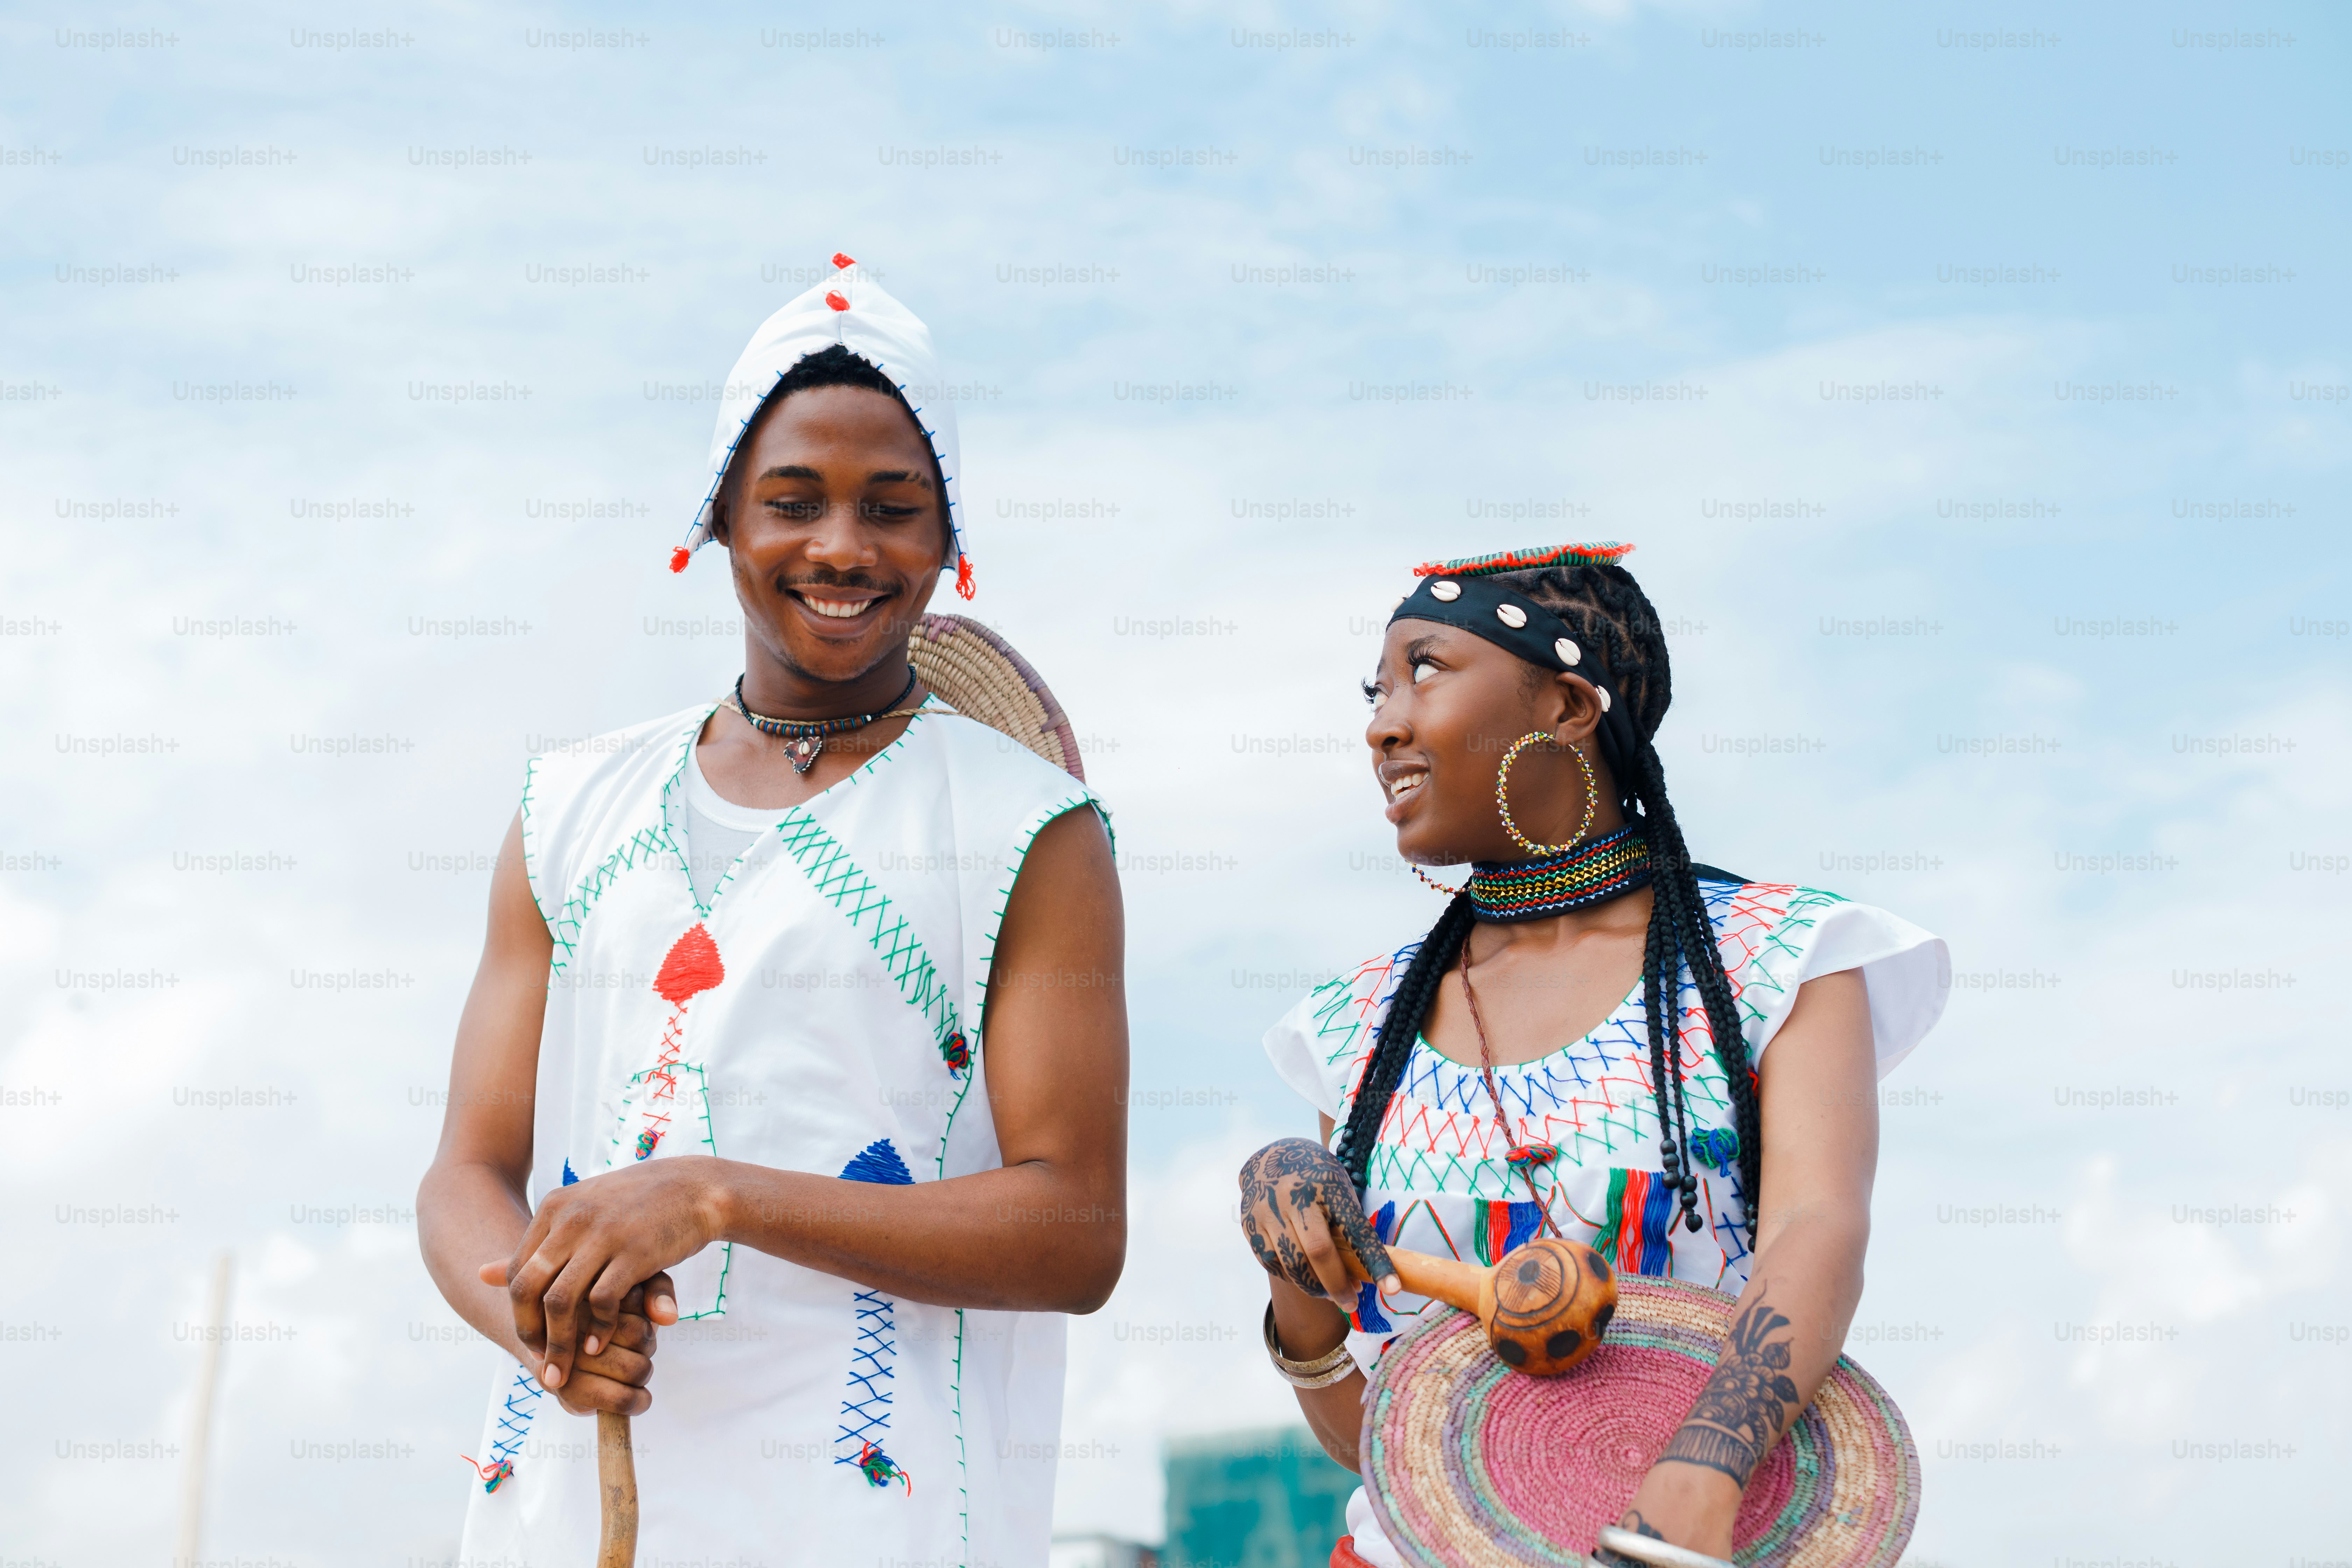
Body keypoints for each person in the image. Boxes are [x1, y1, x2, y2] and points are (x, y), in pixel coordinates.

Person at [417, 255, 1127, 1567]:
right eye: (791, 501)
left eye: (895, 508)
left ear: (950, 540)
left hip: (873, 1505)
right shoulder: (570, 804)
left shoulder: (1031, 827)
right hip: (571, 1492)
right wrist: (535, 1317)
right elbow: (468, 1169)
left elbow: (1075, 1231)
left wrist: (717, 1196)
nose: (844, 548)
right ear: (720, 521)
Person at [1237, 542, 1947, 1567]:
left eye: (1425, 671)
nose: (1382, 724)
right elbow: (1391, 1457)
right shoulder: (1357, 1026)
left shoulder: (1775, 960)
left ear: (1569, 706)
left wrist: (1702, 1471)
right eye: (1376, 690)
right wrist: (1297, 1287)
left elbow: (1817, 1228)